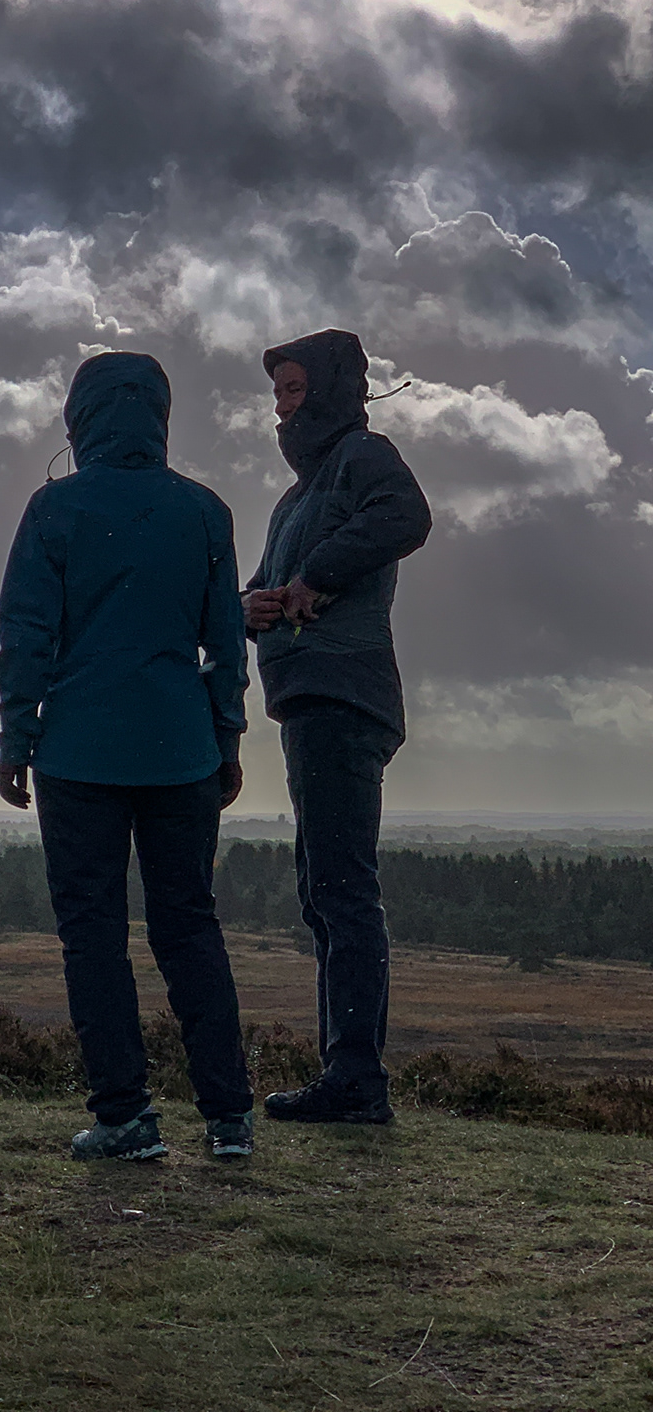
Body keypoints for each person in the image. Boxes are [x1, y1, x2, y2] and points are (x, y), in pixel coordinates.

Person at [0, 352, 255, 1162]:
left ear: (79, 418)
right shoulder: (204, 511)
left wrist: (15, 737)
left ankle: (125, 1118)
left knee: (94, 938)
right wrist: (227, 738)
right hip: (183, 750)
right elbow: (224, 642)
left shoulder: (54, 509)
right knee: (189, 928)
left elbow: (26, 635)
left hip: (77, 752)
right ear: (160, 417)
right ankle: (229, 1118)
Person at [244, 329, 431, 1125]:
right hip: (312, 696)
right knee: (326, 891)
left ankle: (355, 1083)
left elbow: (406, 516)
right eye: (278, 393)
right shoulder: (299, 495)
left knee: (343, 891)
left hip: (342, 691)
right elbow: (265, 588)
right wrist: (248, 608)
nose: (282, 406)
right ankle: (347, 1077)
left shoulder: (363, 455)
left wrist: (315, 578)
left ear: (328, 391)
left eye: (293, 390)